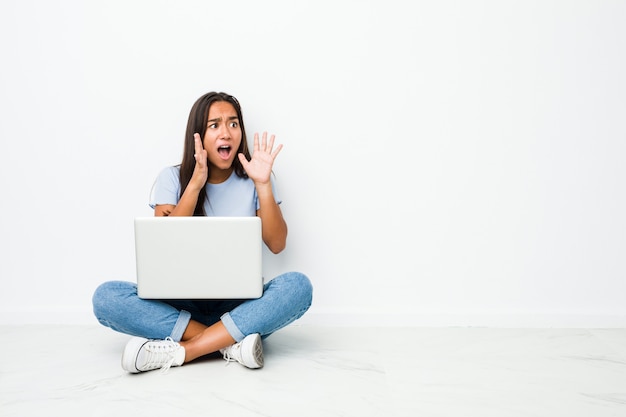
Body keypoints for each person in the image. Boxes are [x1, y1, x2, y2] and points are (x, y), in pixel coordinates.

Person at [92, 91, 313, 373]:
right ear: (198, 134)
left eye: (234, 124)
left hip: (239, 304)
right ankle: (229, 342)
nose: (227, 133)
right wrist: (195, 185)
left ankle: (187, 349)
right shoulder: (171, 178)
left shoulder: (257, 179)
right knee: (106, 297)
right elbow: (162, 248)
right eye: (215, 125)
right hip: (180, 305)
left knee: (298, 286)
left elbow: (277, 243)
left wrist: (263, 185)